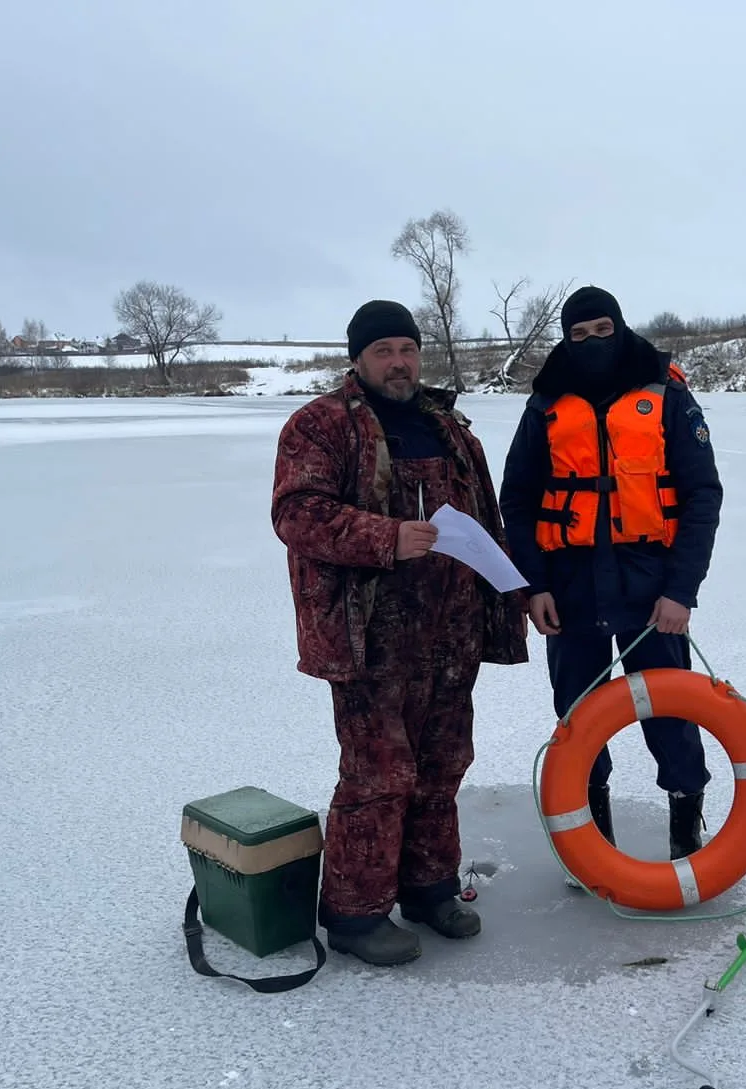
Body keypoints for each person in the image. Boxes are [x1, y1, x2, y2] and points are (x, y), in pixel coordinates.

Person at [271, 299, 529, 966]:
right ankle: (355, 915)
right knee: (379, 773)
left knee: (444, 764)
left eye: (407, 349)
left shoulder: (448, 428)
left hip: (451, 632)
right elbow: (297, 513)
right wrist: (386, 537)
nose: (398, 362)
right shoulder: (321, 425)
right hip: (370, 637)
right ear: (358, 358)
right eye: (383, 351)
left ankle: (429, 888)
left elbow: (488, 522)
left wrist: (515, 592)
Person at [499, 286, 722, 863]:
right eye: (579, 334)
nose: (592, 342)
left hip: (651, 587)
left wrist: (681, 590)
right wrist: (534, 585)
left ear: (619, 328)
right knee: (578, 715)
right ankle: (592, 841)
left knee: (671, 711)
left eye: (602, 330)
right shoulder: (546, 402)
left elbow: (702, 495)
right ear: (566, 339)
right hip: (570, 588)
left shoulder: (666, 393)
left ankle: (686, 837)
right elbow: (517, 499)